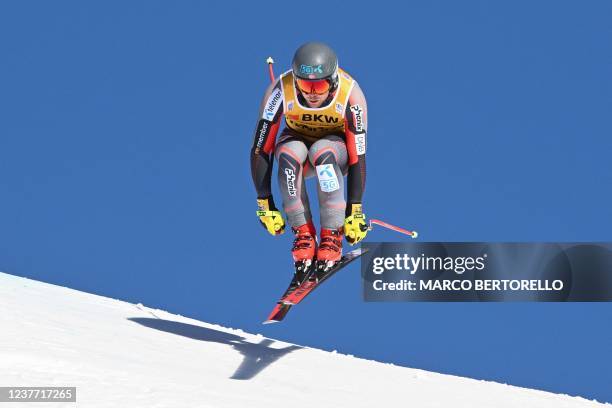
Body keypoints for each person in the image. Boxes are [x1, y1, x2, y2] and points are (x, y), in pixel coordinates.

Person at [250, 42, 368, 268]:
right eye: (305, 85)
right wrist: (265, 203)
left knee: (322, 153)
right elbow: (261, 147)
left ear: (333, 82)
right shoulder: (280, 90)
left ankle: (331, 234)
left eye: (321, 85)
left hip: (334, 151)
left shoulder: (350, 95)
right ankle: (303, 234)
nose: (312, 94)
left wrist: (355, 210)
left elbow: (358, 156)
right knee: (287, 156)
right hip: (297, 145)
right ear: (295, 80)